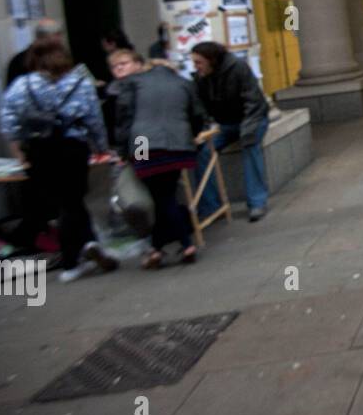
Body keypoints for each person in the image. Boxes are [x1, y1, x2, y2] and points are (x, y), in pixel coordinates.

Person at [0, 36, 118, 282]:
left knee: (64, 203)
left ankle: (88, 244)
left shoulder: (22, 85)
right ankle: (72, 261)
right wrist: (100, 146)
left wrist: (20, 152)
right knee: (71, 201)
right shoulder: (80, 83)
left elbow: (9, 121)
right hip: (72, 147)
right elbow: (94, 118)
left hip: (39, 149)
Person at [109, 48, 206, 267]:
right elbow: (198, 115)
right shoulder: (183, 82)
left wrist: (124, 152)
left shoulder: (134, 83)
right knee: (165, 194)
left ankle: (182, 243)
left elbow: (124, 119)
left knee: (159, 196)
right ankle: (158, 248)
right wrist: (190, 135)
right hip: (178, 145)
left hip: (143, 143)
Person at [190, 41, 270, 222]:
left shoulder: (238, 68)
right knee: (203, 152)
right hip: (226, 123)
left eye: (198, 62)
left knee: (250, 146)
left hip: (251, 119)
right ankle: (211, 205)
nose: (195, 67)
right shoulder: (201, 78)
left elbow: (253, 101)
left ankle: (257, 202)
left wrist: (247, 130)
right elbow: (201, 108)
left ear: (212, 60)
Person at [5, 17, 63, 88]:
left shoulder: (61, 57)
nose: (60, 39)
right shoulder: (20, 61)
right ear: (44, 37)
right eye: (57, 34)